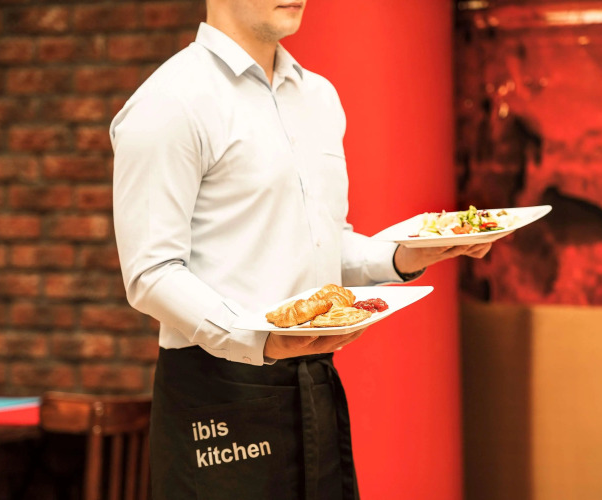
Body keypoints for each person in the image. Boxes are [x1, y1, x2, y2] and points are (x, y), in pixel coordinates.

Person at [110, 1, 491, 498]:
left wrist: (404, 255)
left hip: (315, 382)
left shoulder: (319, 97)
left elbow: (323, 244)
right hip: (216, 390)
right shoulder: (168, 102)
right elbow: (151, 272)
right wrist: (257, 339)